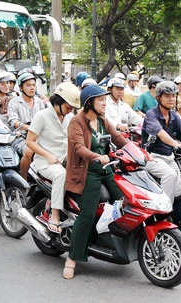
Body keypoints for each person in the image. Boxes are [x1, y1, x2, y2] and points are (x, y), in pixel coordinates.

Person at [63, 85, 128, 279]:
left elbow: (118, 139)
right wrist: (96, 157)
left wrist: (140, 153)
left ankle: (105, 239)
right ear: (89, 102)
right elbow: (78, 147)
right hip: (87, 171)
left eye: (105, 100)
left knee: (125, 200)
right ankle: (72, 259)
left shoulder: (101, 120)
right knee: (88, 214)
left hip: (105, 169)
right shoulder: (77, 122)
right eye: (101, 100)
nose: (104, 103)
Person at [26, 82, 81, 233]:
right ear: (58, 101)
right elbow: (29, 141)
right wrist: (48, 155)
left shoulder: (69, 117)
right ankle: (54, 214)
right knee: (61, 174)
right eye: (69, 106)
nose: (70, 110)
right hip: (45, 163)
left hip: (65, 161)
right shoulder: (42, 116)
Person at [141, 81, 181, 206]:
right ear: (159, 97)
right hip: (151, 157)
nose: (171, 99)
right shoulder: (152, 114)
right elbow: (161, 134)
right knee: (171, 175)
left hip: (169, 157)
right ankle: (164, 211)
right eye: (167, 96)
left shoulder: (173, 115)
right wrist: (177, 144)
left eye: (173, 95)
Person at [7, 72, 45, 180]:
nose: (32, 88)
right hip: (20, 136)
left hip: (38, 136)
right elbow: (14, 122)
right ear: (20, 87)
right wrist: (29, 127)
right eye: (28, 85)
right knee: (29, 151)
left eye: (33, 85)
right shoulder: (14, 102)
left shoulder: (39, 102)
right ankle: (24, 181)